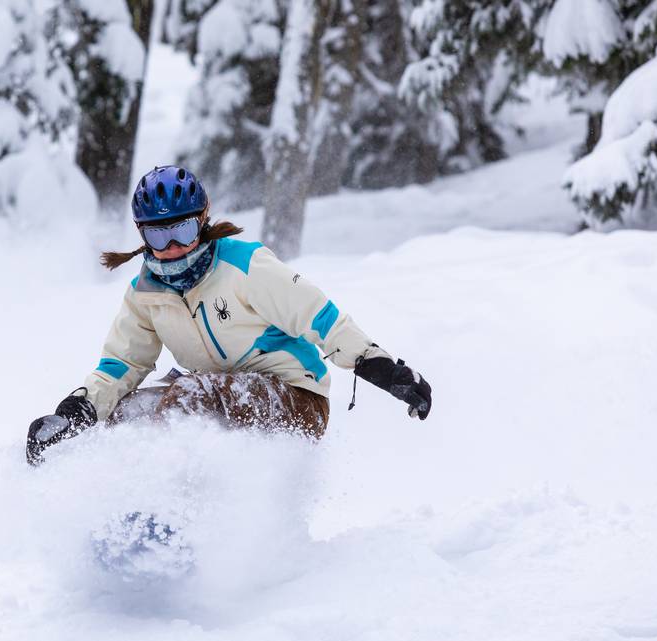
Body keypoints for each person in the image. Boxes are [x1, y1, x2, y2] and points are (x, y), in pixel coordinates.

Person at [26, 165, 432, 466]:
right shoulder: (145, 293)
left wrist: (384, 369)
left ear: (202, 222)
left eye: (181, 232)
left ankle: (182, 509)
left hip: (295, 399)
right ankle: (122, 510)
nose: (170, 248)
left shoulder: (245, 265)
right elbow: (123, 363)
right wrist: (75, 413)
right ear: (141, 234)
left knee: (189, 397)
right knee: (127, 414)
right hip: (212, 396)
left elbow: (320, 318)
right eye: (156, 235)